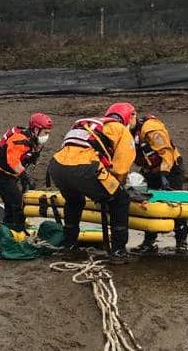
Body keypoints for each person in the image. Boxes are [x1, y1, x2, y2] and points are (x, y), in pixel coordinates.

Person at [47, 102, 137, 263]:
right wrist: (116, 188)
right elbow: (121, 168)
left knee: (74, 201)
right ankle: (118, 251)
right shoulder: (121, 130)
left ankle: (69, 246)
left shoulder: (83, 123)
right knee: (120, 200)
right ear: (128, 117)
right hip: (86, 169)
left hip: (57, 166)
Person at [131, 112, 188, 255]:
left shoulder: (151, 128)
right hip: (150, 169)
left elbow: (166, 152)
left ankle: (181, 242)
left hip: (170, 167)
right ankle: (149, 242)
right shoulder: (124, 133)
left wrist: (164, 175)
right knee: (148, 204)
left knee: (175, 203)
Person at [0, 113, 53, 233]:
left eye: (48, 133)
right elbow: (12, 160)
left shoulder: (34, 141)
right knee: (17, 204)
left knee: (10, 203)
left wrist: (23, 177)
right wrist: (24, 176)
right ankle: (18, 230)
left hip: (10, 174)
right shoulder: (20, 140)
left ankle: (8, 227)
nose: (46, 136)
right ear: (36, 129)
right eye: (45, 133)